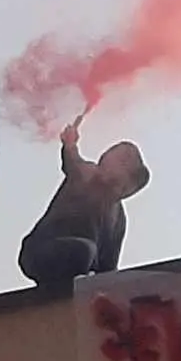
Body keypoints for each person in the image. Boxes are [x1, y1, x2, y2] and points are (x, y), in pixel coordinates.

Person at [17, 118, 151, 290]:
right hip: (41, 250)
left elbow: (108, 266)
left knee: (88, 255)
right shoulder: (88, 173)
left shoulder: (118, 220)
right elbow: (72, 162)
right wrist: (70, 144)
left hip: (80, 263)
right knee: (84, 251)